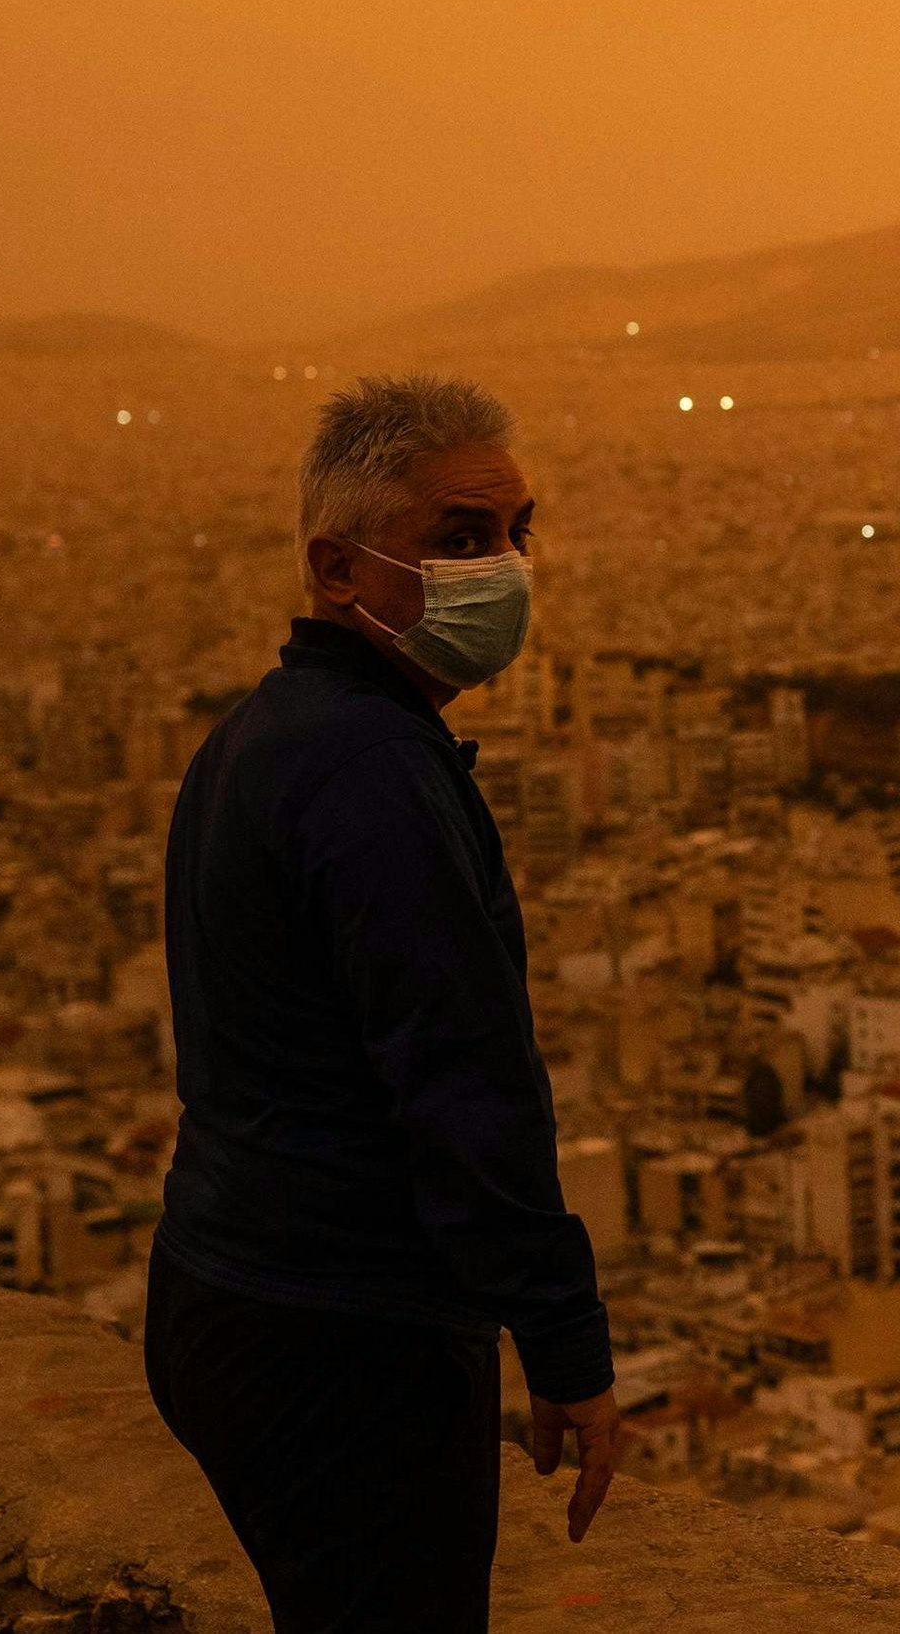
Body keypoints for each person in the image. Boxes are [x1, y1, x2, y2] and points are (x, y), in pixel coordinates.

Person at [147, 374, 618, 1631]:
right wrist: (565, 1350)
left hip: (224, 1285)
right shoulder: (370, 773)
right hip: (340, 1333)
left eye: (517, 532)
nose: (505, 566)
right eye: (460, 538)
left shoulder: (267, 732)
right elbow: (470, 1091)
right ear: (336, 567)